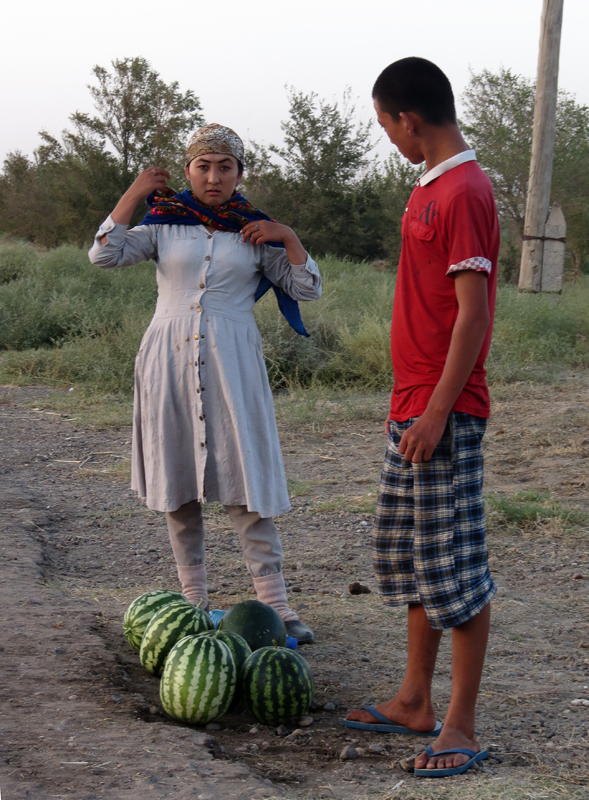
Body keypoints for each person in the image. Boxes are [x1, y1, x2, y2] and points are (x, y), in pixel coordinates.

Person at [88, 123, 321, 643]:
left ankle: (277, 608)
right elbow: (103, 254)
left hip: (232, 362)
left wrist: (288, 237)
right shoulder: (163, 225)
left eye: (225, 167)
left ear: (240, 173)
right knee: (179, 481)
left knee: (247, 482)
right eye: (203, 166)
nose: (213, 177)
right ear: (188, 169)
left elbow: (305, 287)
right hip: (167, 361)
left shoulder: (254, 230)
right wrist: (135, 193)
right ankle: (193, 603)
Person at [344, 58, 499, 777]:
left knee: (456, 571)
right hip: (409, 407)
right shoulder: (428, 188)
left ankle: (459, 726)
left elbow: (473, 314)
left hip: (442, 411)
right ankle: (413, 700)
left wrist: (438, 412)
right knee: (414, 565)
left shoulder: (464, 189)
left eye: (385, 125)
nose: (389, 138)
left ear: (409, 119)